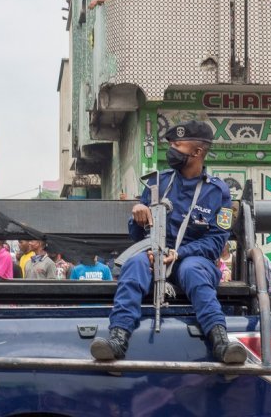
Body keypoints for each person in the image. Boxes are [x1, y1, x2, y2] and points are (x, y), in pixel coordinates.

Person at [90, 120, 248, 364]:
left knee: (193, 269)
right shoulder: (157, 183)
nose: (171, 149)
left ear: (197, 152)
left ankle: (221, 341)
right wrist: (140, 216)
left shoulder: (218, 192)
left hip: (193, 260)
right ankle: (118, 338)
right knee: (134, 265)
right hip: (153, 257)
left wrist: (179, 253)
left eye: (177, 144)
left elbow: (216, 242)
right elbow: (137, 236)